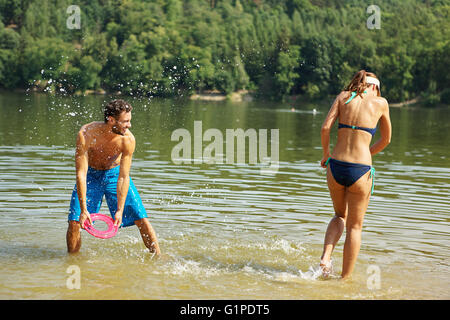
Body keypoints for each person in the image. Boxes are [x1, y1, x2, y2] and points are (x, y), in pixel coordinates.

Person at [319, 70, 391, 279]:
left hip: (336, 166)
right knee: (355, 227)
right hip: (360, 171)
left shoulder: (343, 97)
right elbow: (386, 139)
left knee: (339, 216)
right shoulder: (381, 103)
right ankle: (344, 279)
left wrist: (326, 155)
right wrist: (366, 155)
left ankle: (326, 256)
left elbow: (325, 128)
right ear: (375, 87)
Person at [66, 99, 161, 256]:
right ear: (111, 120)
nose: (129, 125)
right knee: (75, 222)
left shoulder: (128, 140)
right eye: (125, 121)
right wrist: (83, 210)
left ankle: (158, 257)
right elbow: (81, 174)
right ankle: (73, 261)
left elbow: (124, 177)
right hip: (91, 175)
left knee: (141, 218)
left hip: (114, 174)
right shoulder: (86, 134)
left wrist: (120, 209)